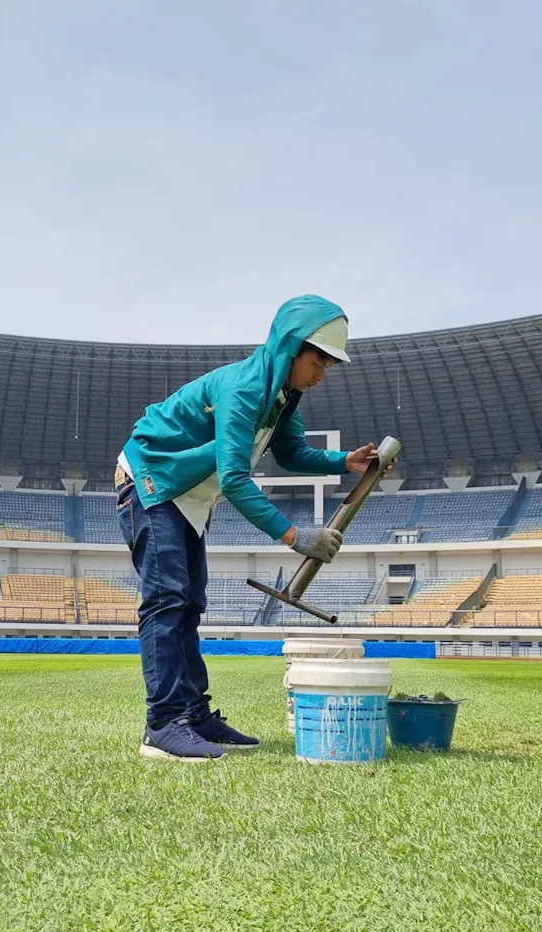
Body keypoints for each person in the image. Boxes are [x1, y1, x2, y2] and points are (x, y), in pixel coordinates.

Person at [115, 294, 380, 762]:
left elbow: (291, 453)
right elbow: (236, 478)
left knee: (190, 601)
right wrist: (297, 538)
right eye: (318, 361)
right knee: (167, 600)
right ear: (290, 347)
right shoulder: (243, 388)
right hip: (153, 484)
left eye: (329, 365)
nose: (321, 374)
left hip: (188, 495)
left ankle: (193, 715)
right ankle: (162, 725)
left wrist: (345, 461)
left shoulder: (280, 398)